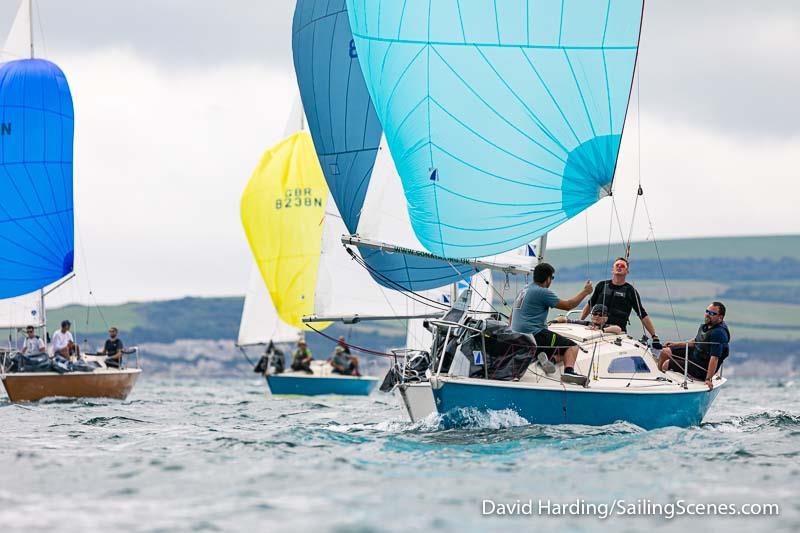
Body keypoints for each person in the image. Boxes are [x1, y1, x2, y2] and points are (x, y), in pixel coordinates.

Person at [510, 263, 593, 381]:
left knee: (559, 348)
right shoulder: (542, 292)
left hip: (517, 337)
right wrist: (585, 292)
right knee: (572, 346)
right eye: (552, 278)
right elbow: (569, 305)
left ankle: (548, 359)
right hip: (535, 336)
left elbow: (511, 317)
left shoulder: (524, 290)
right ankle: (569, 372)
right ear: (548, 278)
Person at [579, 257, 660, 346]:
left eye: (622, 266)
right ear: (612, 270)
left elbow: (642, 314)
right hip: (597, 330)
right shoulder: (601, 286)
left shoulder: (630, 291)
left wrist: (654, 336)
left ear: (627, 272)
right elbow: (590, 305)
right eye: (617, 265)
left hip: (618, 333)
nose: (619, 267)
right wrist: (580, 322)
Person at [657, 302, 730, 390]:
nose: (707, 315)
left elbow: (714, 358)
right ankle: (658, 375)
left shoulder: (718, 333)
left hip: (701, 368)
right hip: (695, 356)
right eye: (707, 311)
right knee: (665, 351)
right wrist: (675, 344)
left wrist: (708, 379)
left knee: (667, 364)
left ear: (720, 317)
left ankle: (666, 388)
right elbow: (696, 342)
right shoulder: (707, 326)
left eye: (712, 314)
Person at [553, 304, 623, 335]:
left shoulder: (606, 326)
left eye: (600, 315)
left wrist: (601, 330)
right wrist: (554, 321)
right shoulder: (586, 323)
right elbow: (566, 319)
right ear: (591, 315)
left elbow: (618, 329)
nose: (597, 316)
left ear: (606, 318)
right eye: (595, 314)